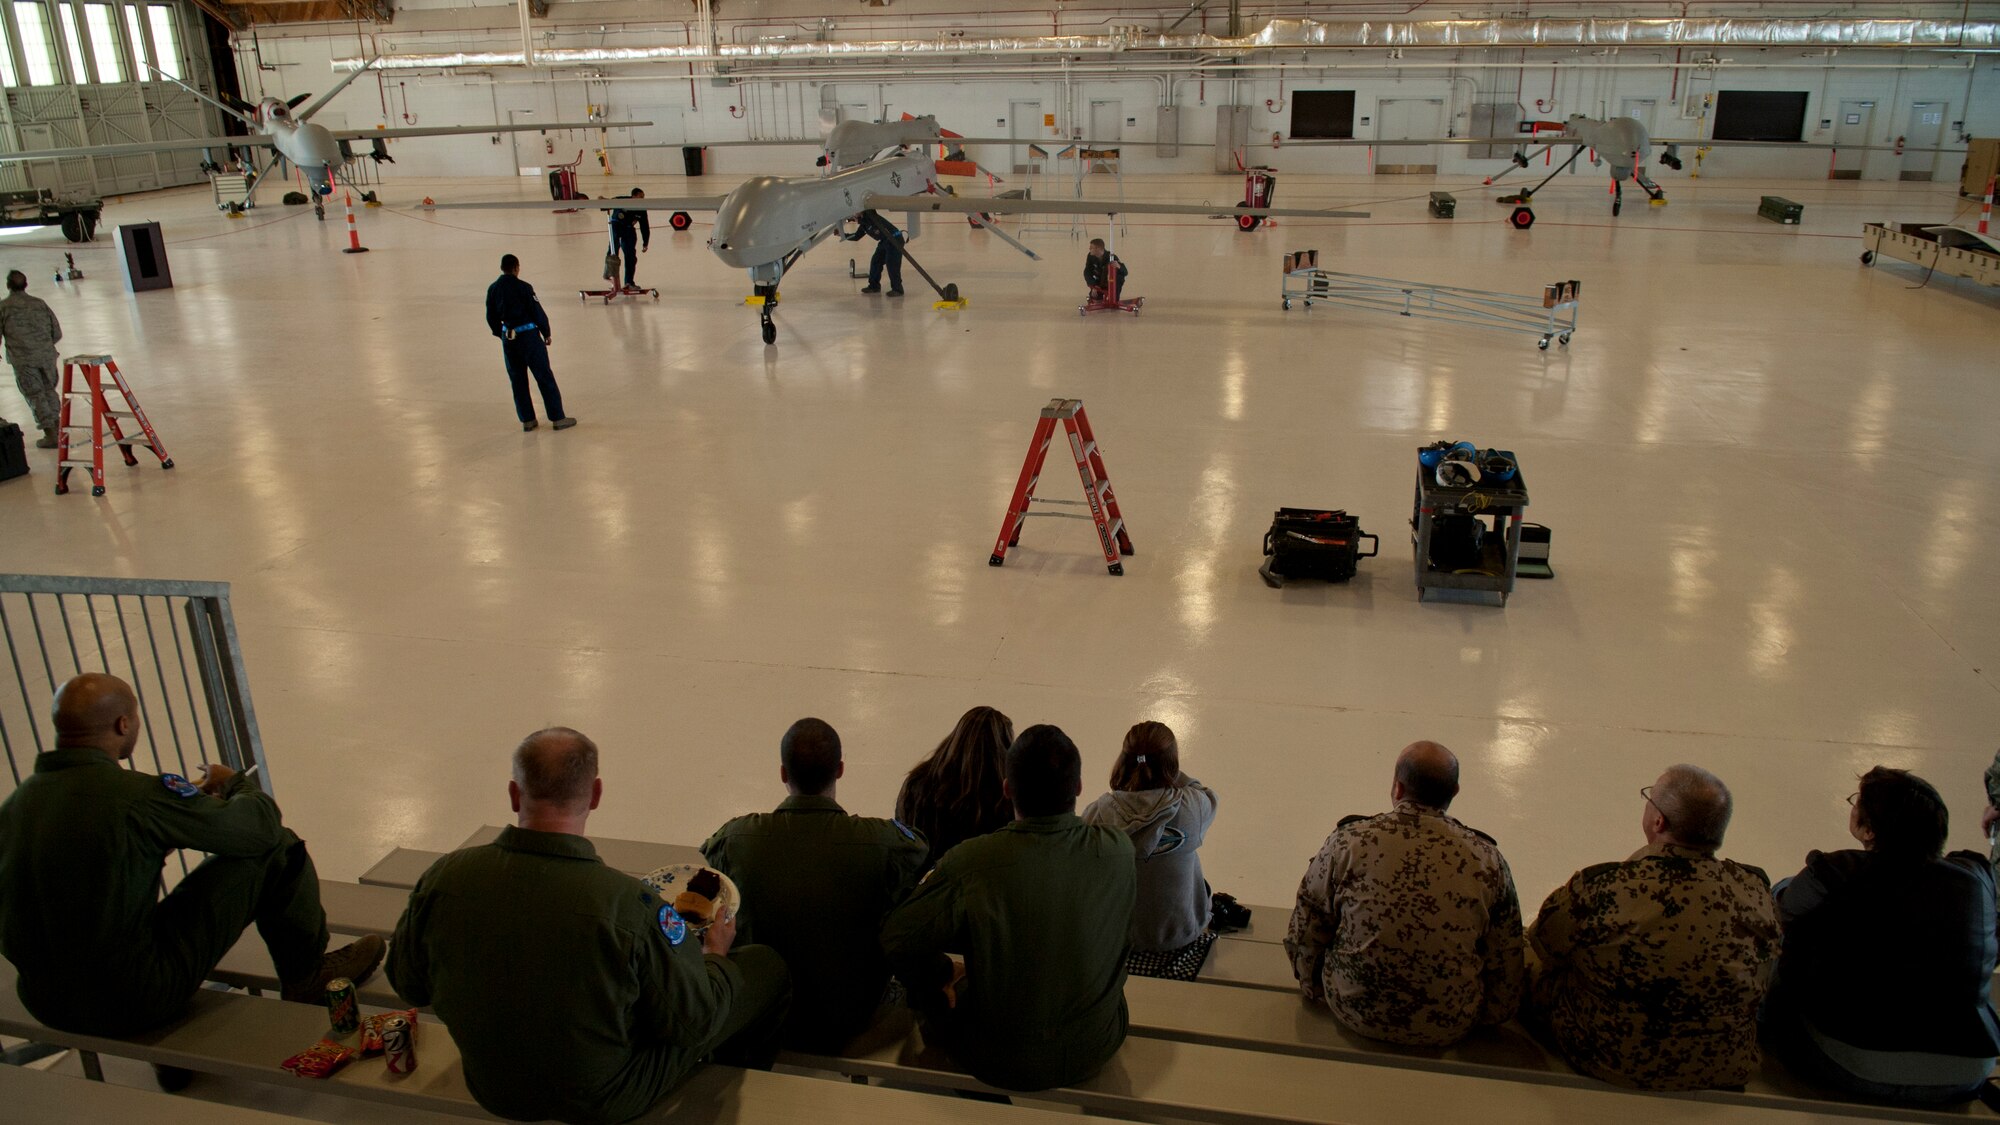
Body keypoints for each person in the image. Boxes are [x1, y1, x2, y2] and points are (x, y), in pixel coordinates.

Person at [389, 728, 790, 1125]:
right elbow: (692, 1022)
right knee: (762, 965)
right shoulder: (629, 906)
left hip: (494, 1088)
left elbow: (408, 984)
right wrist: (716, 958)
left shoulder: (444, 877)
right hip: (602, 1100)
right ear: (596, 794)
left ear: (514, 793)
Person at [0, 674, 383, 1043]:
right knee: (278, 848)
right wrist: (235, 783)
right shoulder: (136, 797)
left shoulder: (17, 804)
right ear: (122, 724)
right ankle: (307, 976)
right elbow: (258, 829)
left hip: (45, 1001)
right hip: (136, 998)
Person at [882, 724, 1136, 1091]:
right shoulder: (1117, 850)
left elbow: (897, 938)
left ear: (1007, 790)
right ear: (1078, 787)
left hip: (995, 1057)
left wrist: (940, 974)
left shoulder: (973, 861)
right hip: (1096, 1043)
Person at [1524, 765, 1780, 1091]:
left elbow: (1546, 944)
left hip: (1607, 1057)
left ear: (1658, 821)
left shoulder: (1602, 886)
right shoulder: (1755, 890)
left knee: (1525, 954)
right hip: (1719, 1063)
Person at [1763, 767, 2000, 1105]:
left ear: (1869, 829)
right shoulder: (1976, 880)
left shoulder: (1832, 873)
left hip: (1848, 1062)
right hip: (1966, 1072)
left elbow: (1779, 921)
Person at [700, 717, 927, 1053]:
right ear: (840, 769)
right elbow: (919, 852)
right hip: (851, 1014)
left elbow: (710, 853)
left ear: (782, 773)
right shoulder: (881, 842)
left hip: (768, 1011)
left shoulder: (739, 839)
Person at [1285, 741, 1524, 1047]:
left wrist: (1312, 983)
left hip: (1353, 1010)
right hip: (1451, 1022)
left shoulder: (1350, 842)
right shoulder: (1486, 858)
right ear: (1454, 792)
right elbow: (1507, 955)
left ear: (1398, 789)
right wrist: (1487, 1016)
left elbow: (1307, 923)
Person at [1080, 721, 1219, 980]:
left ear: (1123, 760)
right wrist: (1167, 770)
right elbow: (1205, 792)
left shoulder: (1096, 814)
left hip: (1120, 942)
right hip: (1181, 937)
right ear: (1171, 763)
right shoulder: (1193, 808)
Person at [894, 706, 1015, 871]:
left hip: (926, 885)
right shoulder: (1007, 794)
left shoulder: (918, 782)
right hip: (984, 886)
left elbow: (903, 835)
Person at [484, 254, 575, 433]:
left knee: (517, 380)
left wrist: (501, 334)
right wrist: (546, 332)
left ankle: (527, 420)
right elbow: (536, 311)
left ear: (502, 268)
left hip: (509, 339)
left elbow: (491, 316)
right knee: (543, 376)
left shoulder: (493, 289)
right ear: (516, 268)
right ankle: (557, 417)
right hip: (529, 338)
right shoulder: (524, 287)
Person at [0, 270, 62, 448]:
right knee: (49, 390)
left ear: (8, 286)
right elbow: (56, 333)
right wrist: (43, 346)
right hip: (47, 356)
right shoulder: (39, 304)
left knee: (35, 395)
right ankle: (58, 429)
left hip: (23, 359)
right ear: (26, 284)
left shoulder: (3, 307)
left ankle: (50, 435)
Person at [608, 189, 650, 291]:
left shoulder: (642, 209)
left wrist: (645, 242)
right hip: (616, 226)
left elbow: (645, 226)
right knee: (613, 252)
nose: (642, 199)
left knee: (630, 256)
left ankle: (629, 282)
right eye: (641, 197)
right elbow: (608, 201)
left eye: (643, 197)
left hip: (628, 229)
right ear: (633, 196)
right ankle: (612, 280)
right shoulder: (622, 200)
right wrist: (602, 199)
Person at [861, 218, 904, 296]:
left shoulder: (871, 216)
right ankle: (874, 286)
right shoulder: (863, 223)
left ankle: (897, 289)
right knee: (876, 261)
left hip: (895, 239)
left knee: (891, 264)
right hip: (885, 241)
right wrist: (842, 235)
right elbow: (856, 236)